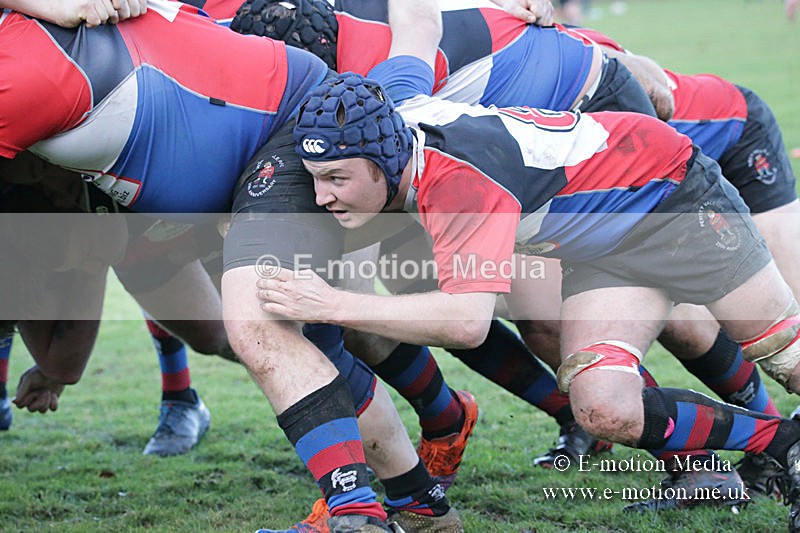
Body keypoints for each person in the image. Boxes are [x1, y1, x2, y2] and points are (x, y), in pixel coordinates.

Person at [256, 69, 800, 530]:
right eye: (315, 179)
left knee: (786, 351)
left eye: (336, 178)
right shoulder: (396, 120)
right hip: (604, 249)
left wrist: (329, 303)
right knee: (602, 407)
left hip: (673, 198)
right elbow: (412, 47)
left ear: (382, 163)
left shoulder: (457, 185)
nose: (322, 195)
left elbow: (467, 324)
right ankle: (785, 444)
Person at [0, 1, 464, 530]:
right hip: (248, 152)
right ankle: (418, 505)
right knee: (310, 341)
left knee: (260, 323)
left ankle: (360, 512)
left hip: (284, 134)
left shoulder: (20, 70)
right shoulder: (38, 36)